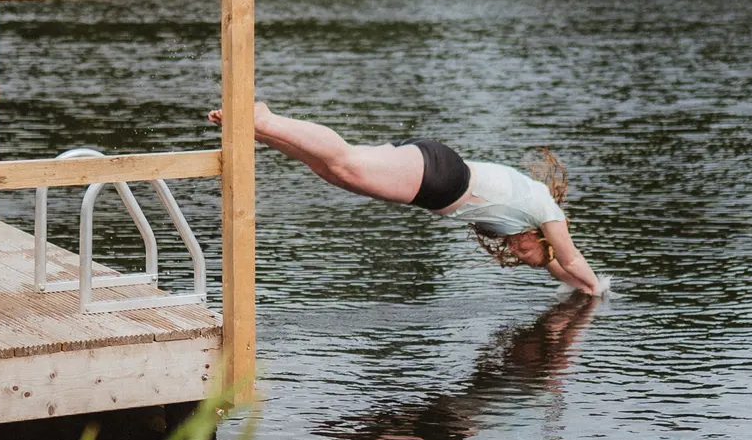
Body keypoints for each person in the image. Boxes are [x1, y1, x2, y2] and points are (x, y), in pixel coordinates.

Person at [208, 101, 606, 296]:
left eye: (519, 258)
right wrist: (599, 291)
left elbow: (558, 269)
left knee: (334, 173)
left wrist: (577, 290)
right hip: (443, 176)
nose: (519, 253)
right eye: (529, 254)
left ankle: (260, 128)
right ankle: (265, 118)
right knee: (346, 163)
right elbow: (568, 259)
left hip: (434, 168)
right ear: (542, 239)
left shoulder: (530, 220)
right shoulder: (547, 212)